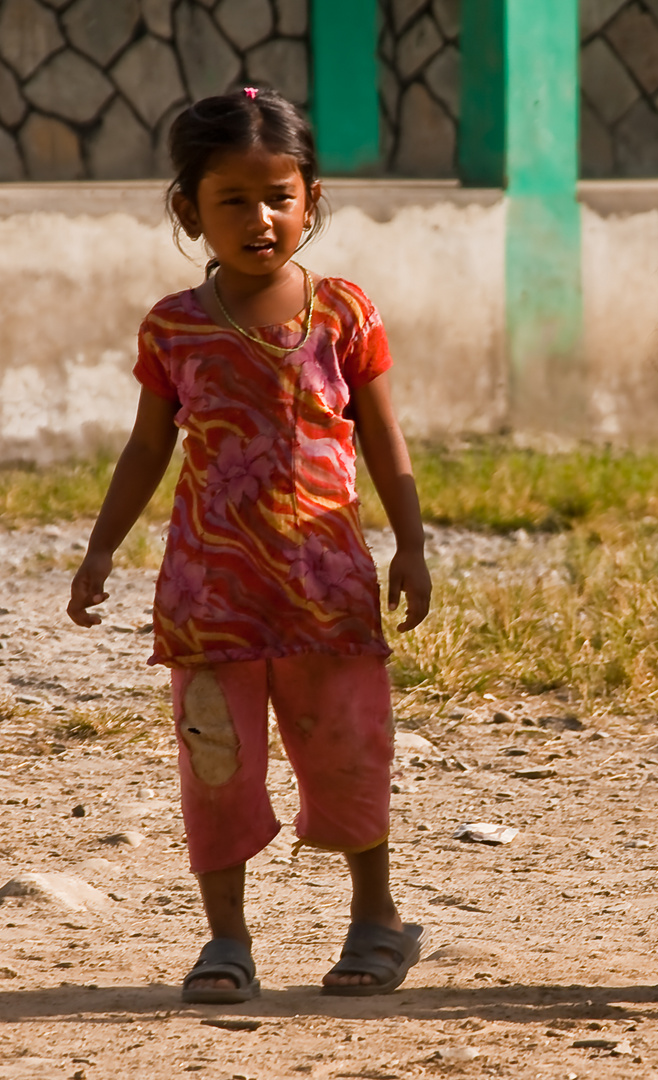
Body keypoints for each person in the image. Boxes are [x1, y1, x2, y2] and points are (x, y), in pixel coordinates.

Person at [66, 88, 431, 1004]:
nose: (260, 218)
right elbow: (148, 447)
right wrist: (101, 550)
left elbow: (385, 443)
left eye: (280, 195)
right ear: (190, 210)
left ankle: (376, 918)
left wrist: (412, 546)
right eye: (233, 199)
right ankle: (226, 939)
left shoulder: (344, 313)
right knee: (216, 767)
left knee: (348, 752)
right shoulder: (175, 326)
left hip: (327, 592)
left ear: (311, 199)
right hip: (211, 599)